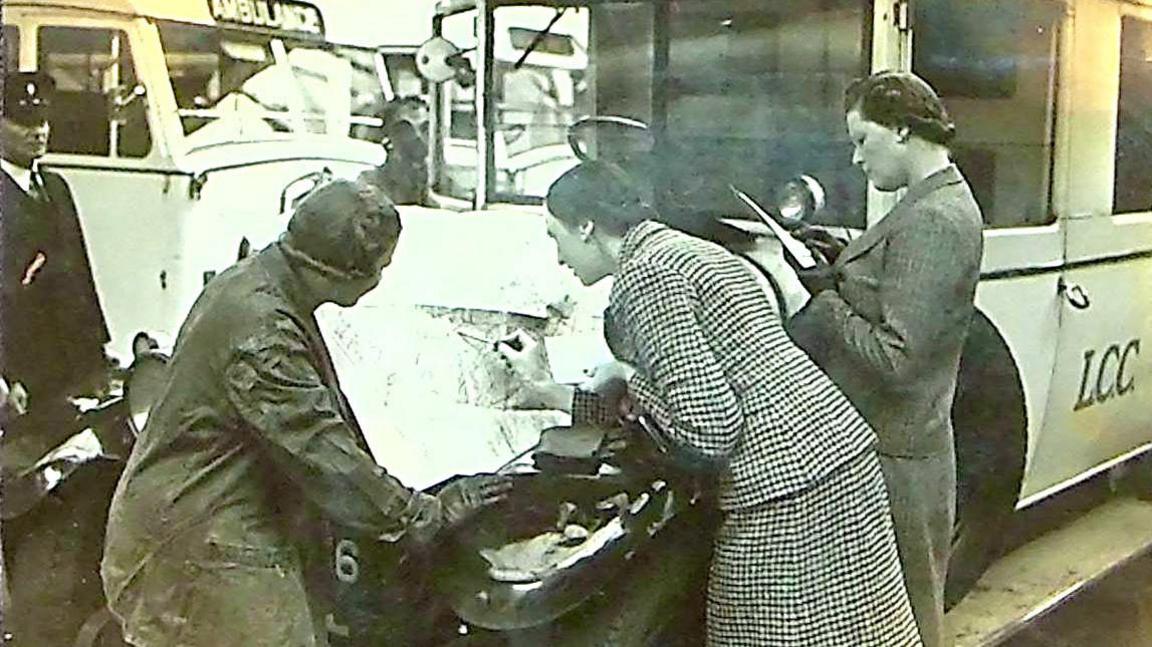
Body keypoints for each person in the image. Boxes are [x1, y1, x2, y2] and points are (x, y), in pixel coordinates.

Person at [499, 162, 921, 646]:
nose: (557, 257)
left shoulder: (645, 278)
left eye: (556, 237)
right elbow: (695, 398)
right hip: (833, 460)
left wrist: (626, 374)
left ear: (586, 227)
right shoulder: (687, 250)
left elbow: (708, 429)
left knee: (755, 632)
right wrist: (553, 391)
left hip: (785, 490)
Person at [101, 179, 511, 647]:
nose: (380, 279)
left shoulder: (258, 282)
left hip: (203, 525)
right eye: (380, 266)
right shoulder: (264, 329)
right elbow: (321, 451)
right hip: (199, 543)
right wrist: (424, 514)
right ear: (345, 270)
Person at [787, 71, 985, 647]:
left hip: (897, 460)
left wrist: (820, 299)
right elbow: (889, 286)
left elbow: (899, 360)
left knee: (909, 622)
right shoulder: (925, 203)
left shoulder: (936, 220)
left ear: (901, 130)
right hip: (891, 449)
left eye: (861, 139)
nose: (855, 159)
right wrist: (843, 261)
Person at [0, 70, 115, 646]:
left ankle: (55, 592)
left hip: (70, 365)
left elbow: (80, 275)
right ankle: (23, 605)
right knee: (19, 484)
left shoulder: (57, 188)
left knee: (66, 475)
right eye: (23, 123)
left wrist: (100, 348)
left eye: (42, 121)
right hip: (20, 370)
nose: (37, 132)